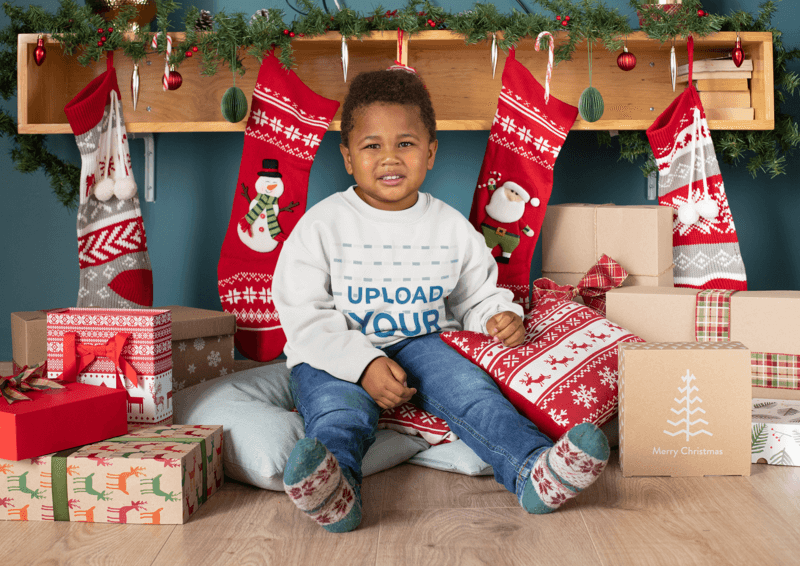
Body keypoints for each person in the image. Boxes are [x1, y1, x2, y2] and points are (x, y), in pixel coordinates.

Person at [273, 68, 609, 533]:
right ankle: (336, 488)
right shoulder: (322, 224)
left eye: (405, 144)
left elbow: (477, 294)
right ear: (348, 157)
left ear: (430, 152)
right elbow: (303, 316)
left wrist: (500, 314)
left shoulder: (449, 226)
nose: (389, 158)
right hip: (336, 351)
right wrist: (363, 365)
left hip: (423, 342)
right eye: (372, 146)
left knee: (476, 396)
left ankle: (534, 469)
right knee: (338, 411)